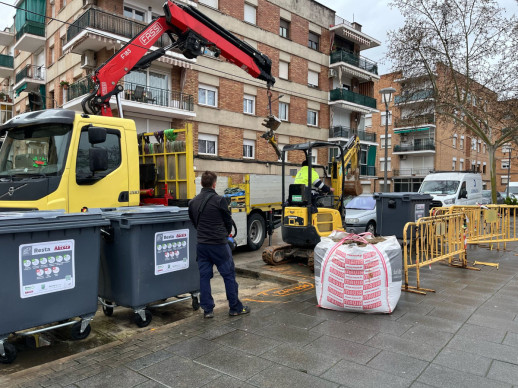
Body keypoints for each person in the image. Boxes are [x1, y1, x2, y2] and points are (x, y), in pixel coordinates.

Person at [188, 171, 250, 319]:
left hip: (202, 245)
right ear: (214, 184)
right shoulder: (220, 200)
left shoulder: (192, 202)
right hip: (219, 245)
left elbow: (194, 222)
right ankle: (235, 307)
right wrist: (224, 234)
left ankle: (207, 310)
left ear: (202, 183)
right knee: (228, 275)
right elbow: (228, 222)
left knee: (204, 277)